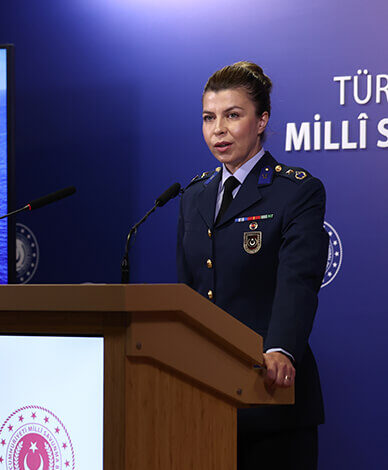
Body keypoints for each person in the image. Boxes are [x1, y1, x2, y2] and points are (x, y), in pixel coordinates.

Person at [176, 61, 328, 470]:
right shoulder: (193, 196)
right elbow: (189, 290)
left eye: (233, 115)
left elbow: (298, 280)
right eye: (209, 118)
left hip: (269, 398)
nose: (218, 130)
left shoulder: (296, 191)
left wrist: (280, 349)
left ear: (262, 121)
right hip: (205, 397)